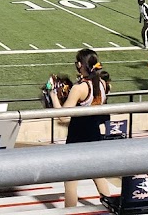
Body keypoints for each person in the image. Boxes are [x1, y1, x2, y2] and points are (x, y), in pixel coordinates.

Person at [48, 48, 114, 208]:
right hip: (95, 135)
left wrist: (53, 96)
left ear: (80, 64)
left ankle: (70, 212)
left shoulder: (80, 88)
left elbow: (63, 116)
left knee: (70, 181)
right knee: (98, 175)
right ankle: (110, 206)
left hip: (77, 137)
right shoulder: (103, 84)